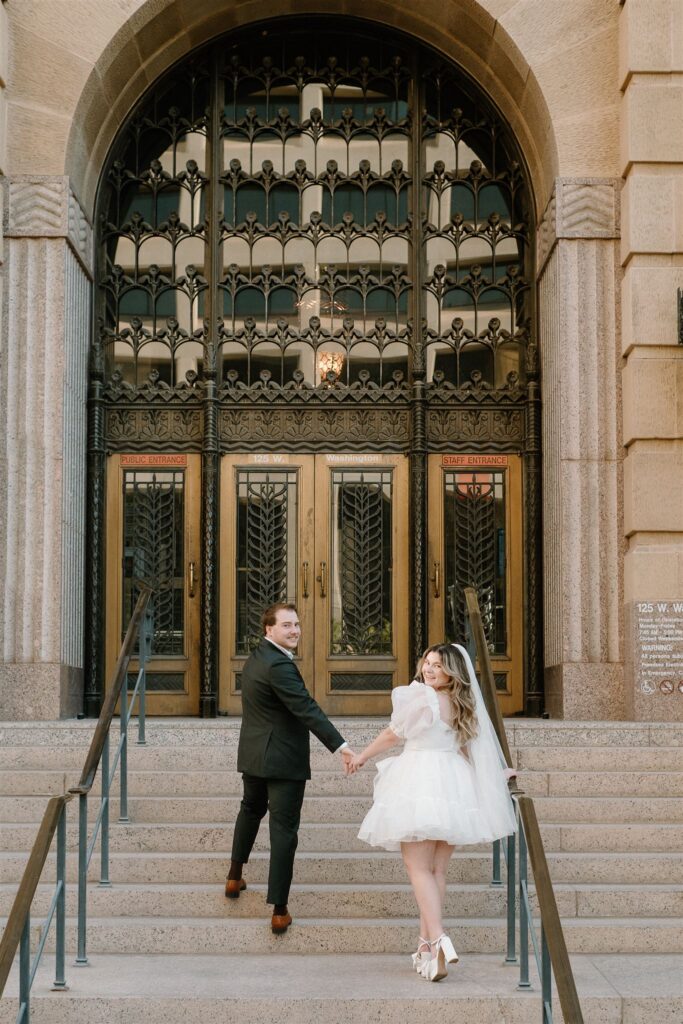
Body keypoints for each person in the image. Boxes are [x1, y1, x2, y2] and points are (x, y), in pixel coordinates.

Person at [347, 643, 516, 981]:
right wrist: (497, 777)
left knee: (417, 868)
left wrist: (362, 756)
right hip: (453, 782)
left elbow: (394, 734)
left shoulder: (422, 698)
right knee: (437, 870)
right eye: (427, 662)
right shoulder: (461, 704)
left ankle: (439, 938)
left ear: (452, 671)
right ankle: (425, 945)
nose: (429, 669)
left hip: (420, 780)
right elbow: (470, 749)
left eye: (438, 665)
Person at [226, 602, 355, 934]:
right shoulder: (279, 666)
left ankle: (234, 876)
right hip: (282, 761)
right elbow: (306, 708)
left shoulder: (256, 658)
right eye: (286, 625)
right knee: (283, 831)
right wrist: (340, 745)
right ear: (269, 629)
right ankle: (279, 910)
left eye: (296, 624)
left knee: (250, 810)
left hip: (255, 755)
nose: (295, 630)